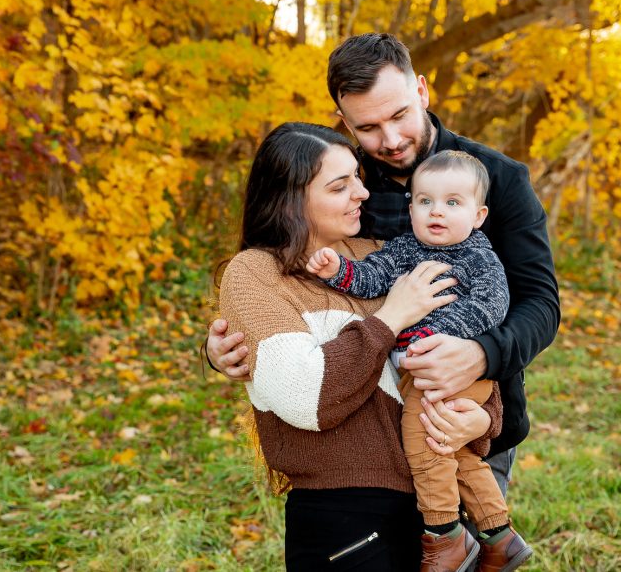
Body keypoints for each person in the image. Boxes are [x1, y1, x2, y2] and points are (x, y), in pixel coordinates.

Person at [208, 33, 560, 493]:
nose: (391, 140)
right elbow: (282, 269)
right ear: (343, 120)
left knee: (464, 551)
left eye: (399, 115)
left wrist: (481, 355)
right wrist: (233, 346)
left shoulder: (498, 180)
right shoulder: (341, 184)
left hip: (467, 417)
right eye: (368, 127)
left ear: (422, 90)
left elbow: (540, 303)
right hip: (365, 437)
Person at [216, 121, 500, 571]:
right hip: (346, 515)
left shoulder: (382, 254)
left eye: (357, 178)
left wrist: (482, 419)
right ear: (292, 199)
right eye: (339, 185)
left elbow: (456, 351)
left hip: (435, 504)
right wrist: (393, 316)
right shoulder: (255, 274)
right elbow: (306, 397)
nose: (362, 194)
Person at [306, 150, 533, 571]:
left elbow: (492, 306)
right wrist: (339, 270)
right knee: (455, 454)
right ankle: (499, 535)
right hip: (422, 369)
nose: (436, 212)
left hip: (457, 370)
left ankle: (445, 536)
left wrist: (436, 333)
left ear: (478, 215)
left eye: (452, 203)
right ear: (410, 207)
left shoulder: (478, 256)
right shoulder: (405, 249)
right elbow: (372, 276)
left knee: (424, 439)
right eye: (424, 201)